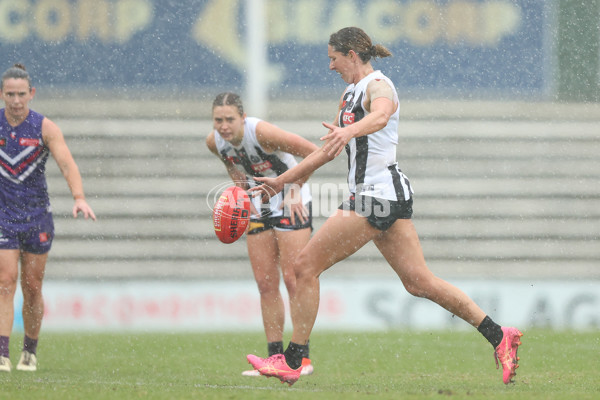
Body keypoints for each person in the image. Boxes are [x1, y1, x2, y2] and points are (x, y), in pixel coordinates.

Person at [247, 27, 523, 386]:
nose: (330, 66)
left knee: (303, 267)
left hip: (376, 196)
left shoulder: (380, 85)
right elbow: (327, 151)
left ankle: (294, 359)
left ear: (352, 55)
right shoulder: (349, 95)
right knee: (418, 282)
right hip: (385, 195)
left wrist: (350, 132)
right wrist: (284, 181)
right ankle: (500, 335)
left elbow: (380, 115)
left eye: (333, 58)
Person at [206, 92, 319, 376]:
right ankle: (274, 357)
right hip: (258, 203)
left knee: (294, 279)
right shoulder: (214, 142)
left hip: (291, 197)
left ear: (242, 118)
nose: (223, 126)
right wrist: (240, 196)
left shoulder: (262, 133)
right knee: (266, 283)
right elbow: (234, 168)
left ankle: (300, 360)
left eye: (229, 119)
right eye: (218, 120)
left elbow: (313, 153)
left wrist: (293, 190)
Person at [0, 64, 96, 372]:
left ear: (32, 93)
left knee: (32, 286)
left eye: (21, 94)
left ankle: (29, 350)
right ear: (2, 94)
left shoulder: (44, 127)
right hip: (3, 216)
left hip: (37, 217)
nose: (16, 100)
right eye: (10, 94)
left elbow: (67, 164)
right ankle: (2, 352)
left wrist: (79, 198)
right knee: (5, 282)